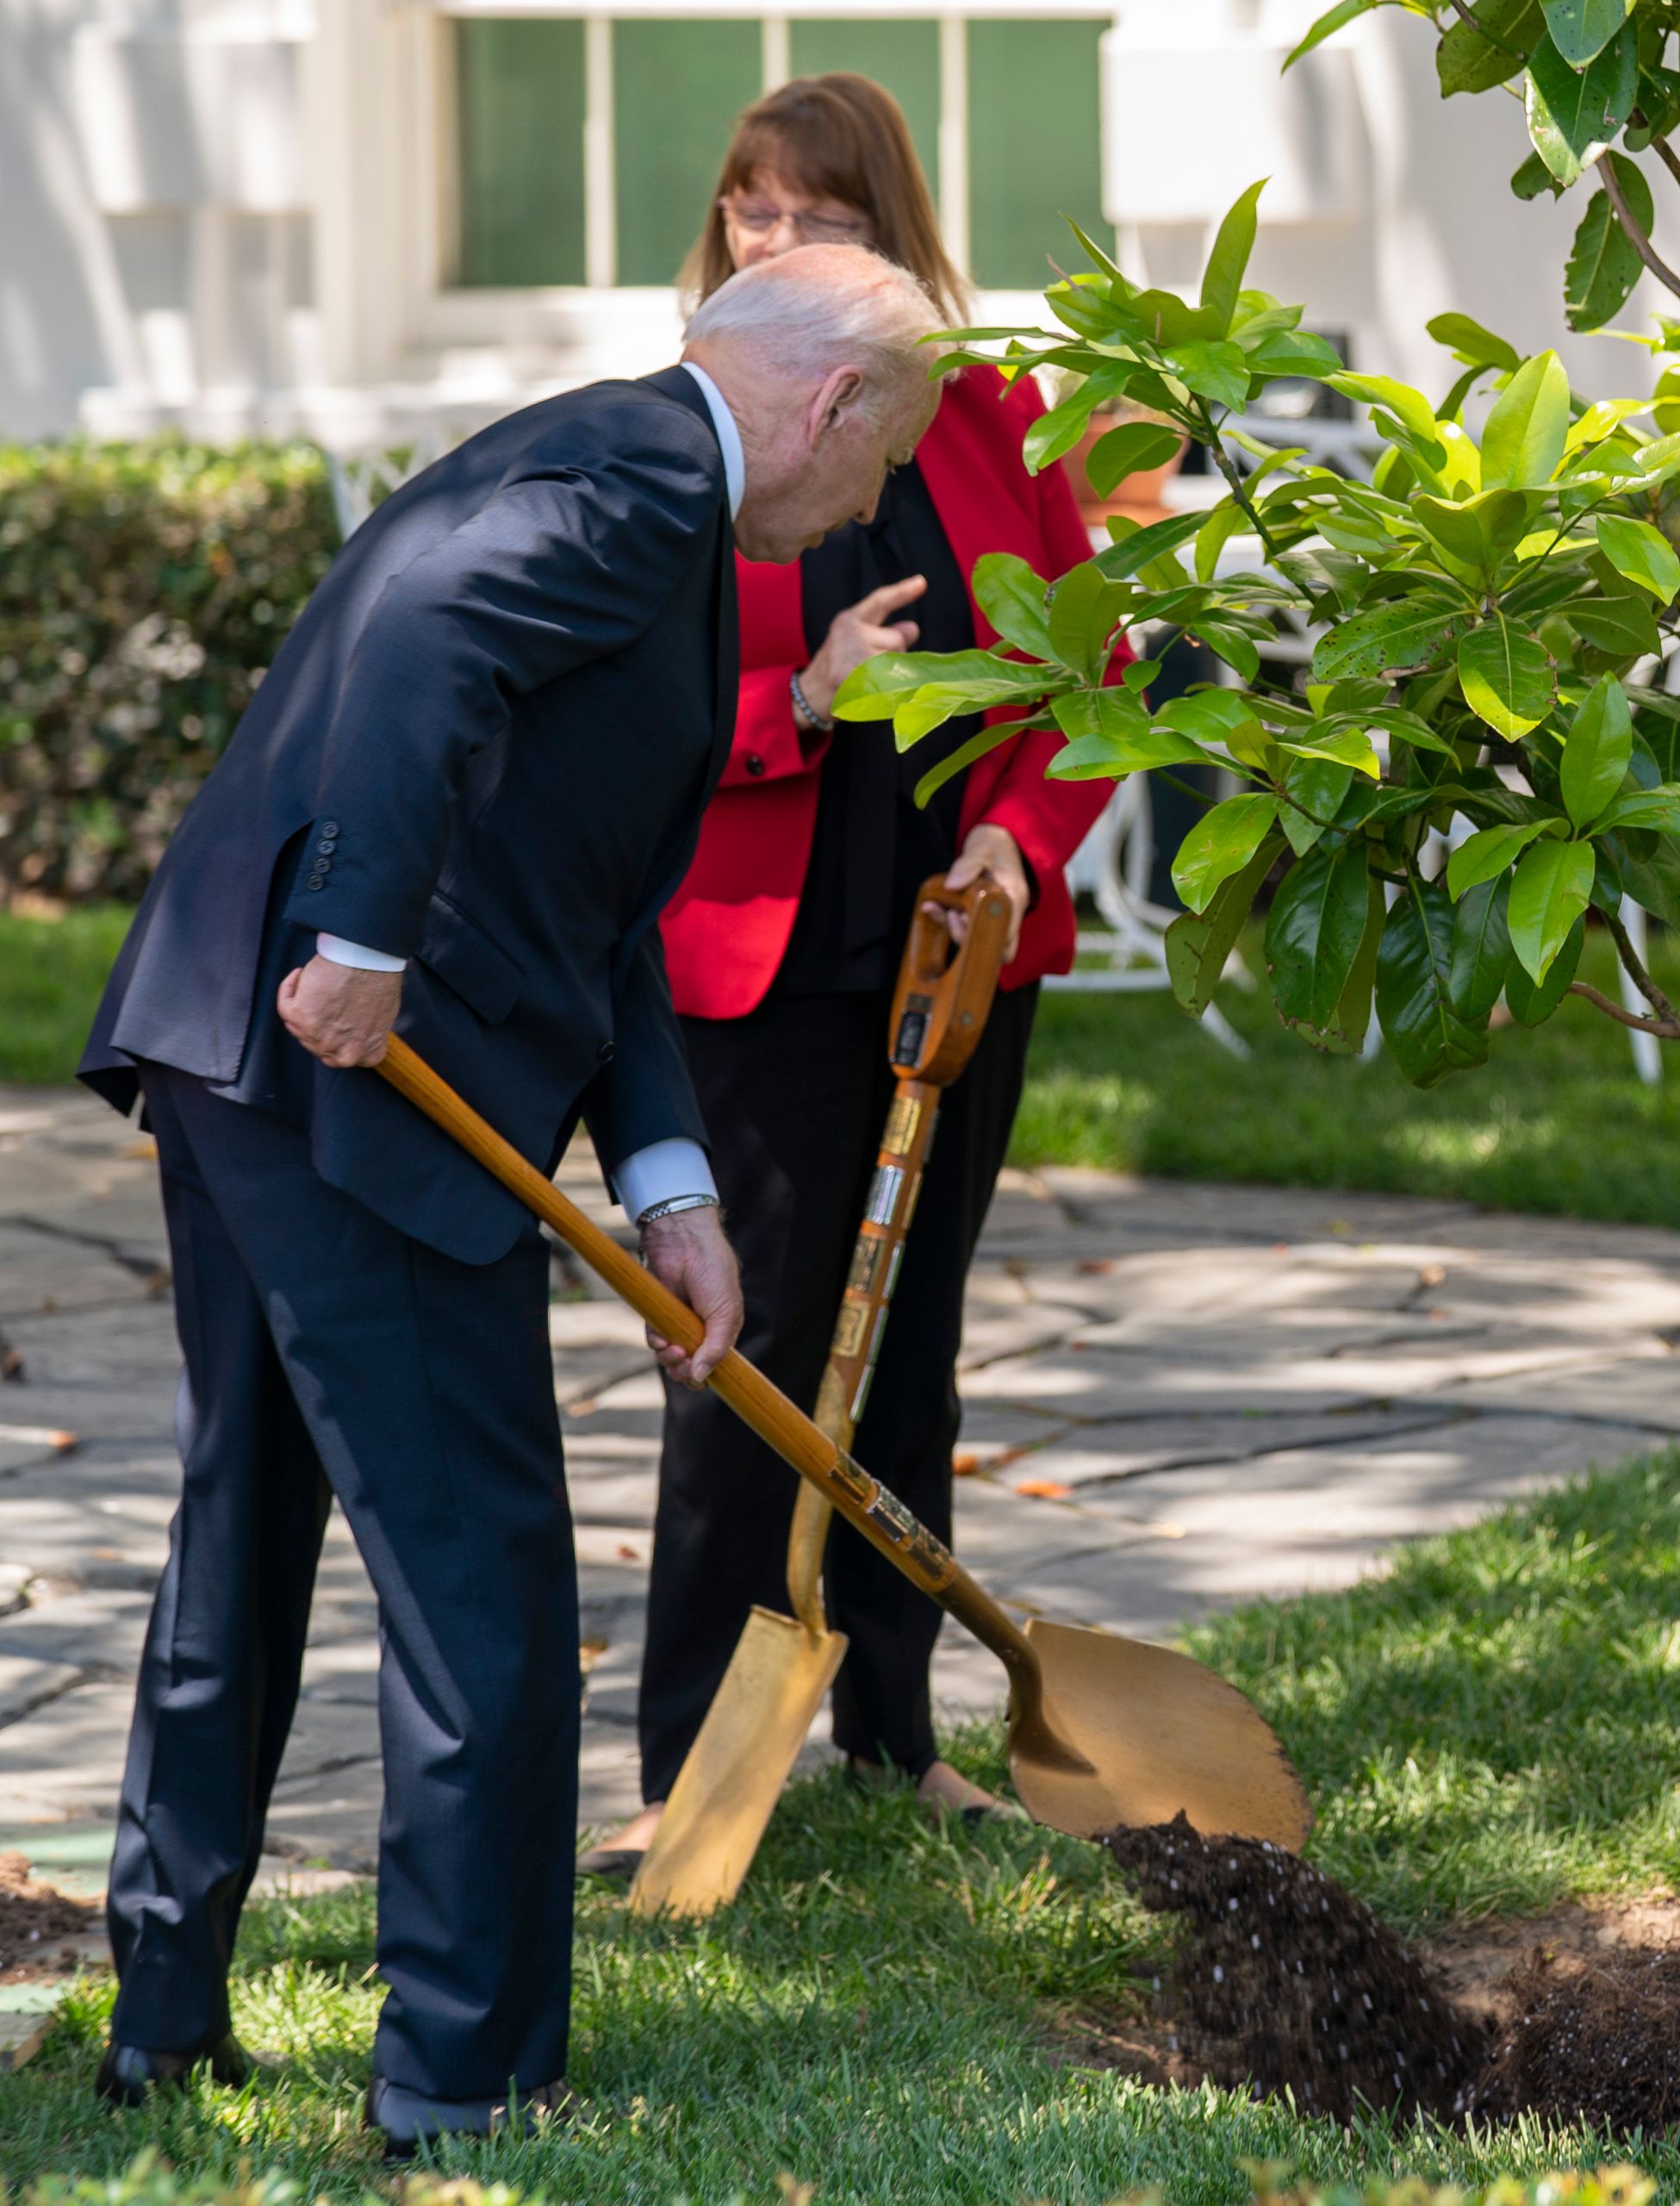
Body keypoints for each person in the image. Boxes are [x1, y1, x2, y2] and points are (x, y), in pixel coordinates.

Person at [71, 246, 945, 2147]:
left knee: (250, 1529)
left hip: (238, 1042)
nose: (880, 501)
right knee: (480, 1576)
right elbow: (418, 642)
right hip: (341, 1072)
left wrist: (667, 1180)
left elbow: (594, 891)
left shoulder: (626, 477)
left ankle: (160, 2014)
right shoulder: (644, 493)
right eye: (891, 458)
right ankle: (464, 2078)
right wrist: (366, 930)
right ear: (832, 411)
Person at [581, 75, 1123, 1872]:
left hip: (954, 954)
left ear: (891, 231)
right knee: (750, 1364)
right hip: (767, 971)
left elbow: (1092, 681)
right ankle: (686, 1769)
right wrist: (795, 706)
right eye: (752, 208)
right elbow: (623, 721)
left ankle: (896, 1730)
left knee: (915, 1362)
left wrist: (1017, 842)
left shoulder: (990, 416)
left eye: (817, 212)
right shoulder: (684, 433)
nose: (778, 239)